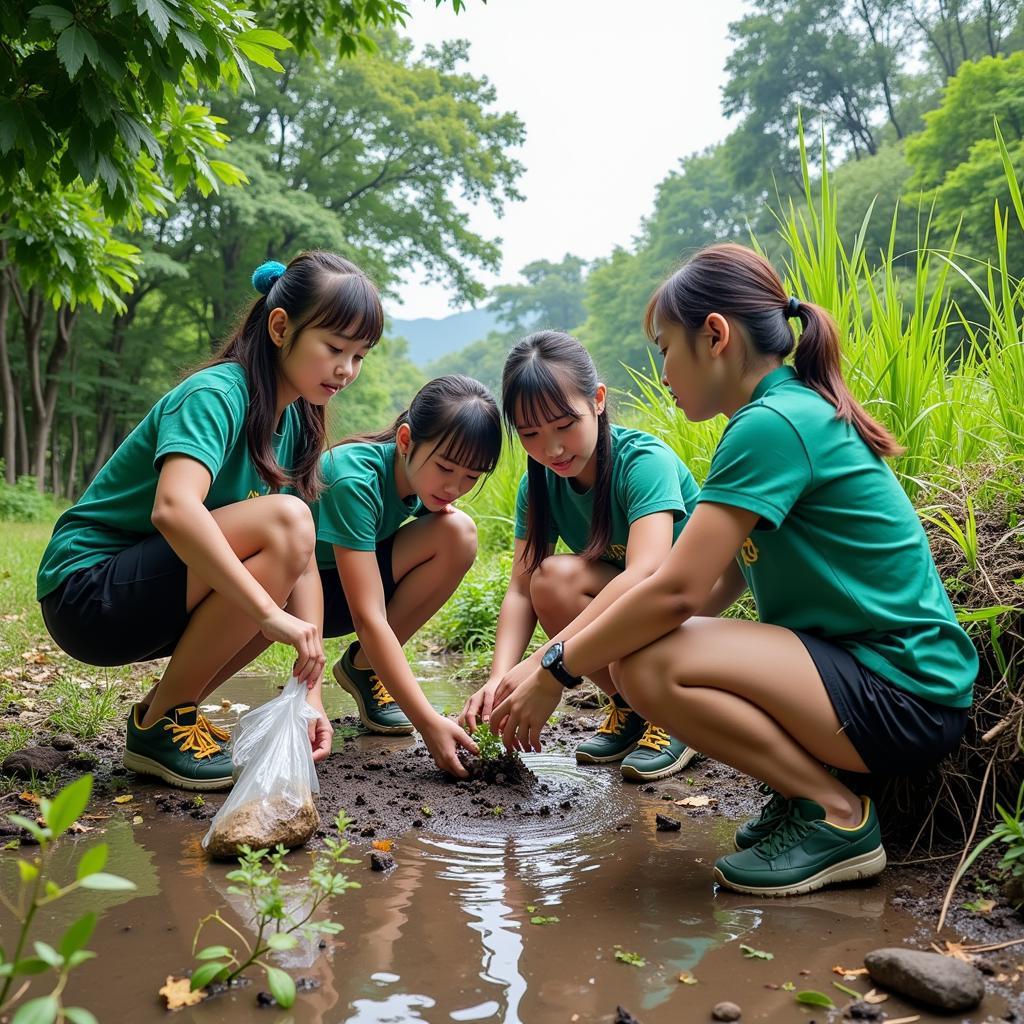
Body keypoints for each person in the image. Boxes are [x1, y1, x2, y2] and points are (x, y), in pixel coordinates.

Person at [487, 244, 977, 896]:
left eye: (665, 348)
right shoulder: (777, 414)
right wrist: (554, 659)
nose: (661, 371)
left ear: (714, 336)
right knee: (651, 648)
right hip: (870, 677)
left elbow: (675, 588)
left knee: (649, 665)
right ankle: (803, 797)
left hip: (905, 691)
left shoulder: (773, 423)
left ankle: (835, 814)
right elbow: (717, 585)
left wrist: (554, 669)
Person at [37, 251, 384, 790]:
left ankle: (166, 714)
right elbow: (174, 508)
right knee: (284, 530)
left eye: (360, 355)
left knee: (290, 540)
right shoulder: (217, 394)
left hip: (153, 589)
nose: (347, 369)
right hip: (87, 592)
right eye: (335, 348)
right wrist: (269, 613)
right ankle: (162, 721)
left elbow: (301, 560)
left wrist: (310, 693)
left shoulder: (295, 422)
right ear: (279, 327)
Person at [460, 330, 703, 782]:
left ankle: (674, 717)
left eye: (564, 425)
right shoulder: (539, 486)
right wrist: (500, 677)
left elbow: (647, 574)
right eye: (530, 434)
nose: (551, 449)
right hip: (634, 605)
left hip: (682, 607)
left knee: (615, 594)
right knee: (550, 580)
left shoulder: (643, 462)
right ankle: (631, 708)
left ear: (598, 400)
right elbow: (520, 589)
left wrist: (543, 664)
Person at [315, 375, 502, 777]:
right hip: (300, 598)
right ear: (405, 440)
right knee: (454, 530)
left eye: (471, 476)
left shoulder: (420, 486)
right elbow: (368, 616)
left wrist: (433, 504)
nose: (455, 486)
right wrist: (428, 721)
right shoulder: (353, 479)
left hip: (349, 586)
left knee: (459, 533)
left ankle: (364, 670)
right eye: (446, 467)